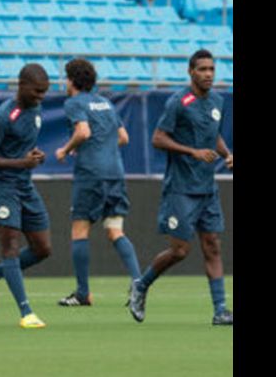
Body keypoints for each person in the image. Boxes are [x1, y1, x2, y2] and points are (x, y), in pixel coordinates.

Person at [128, 49, 233, 326]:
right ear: (190, 72)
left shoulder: (218, 101)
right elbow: (158, 138)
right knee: (180, 251)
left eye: (211, 69)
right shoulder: (179, 102)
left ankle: (221, 310)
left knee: (212, 245)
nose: (208, 74)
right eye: (202, 69)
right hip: (182, 188)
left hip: (207, 188)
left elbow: (214, 135)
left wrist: (226, 154)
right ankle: (142, 284)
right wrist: (192, 152)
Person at [0, 64, 53, 329]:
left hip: (24, 185)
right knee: (11, 247)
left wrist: (35, 156)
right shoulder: (4, 116)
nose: (41, 97)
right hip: (1, 187)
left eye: (44, 93)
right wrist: (21, 163)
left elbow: (20, 149)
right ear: (21, 85)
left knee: (42, 249)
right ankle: (26, 312)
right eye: (37, 92)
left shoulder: (35, 110)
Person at [54, 58, 142, 307]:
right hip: (115, 172)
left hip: (91, 175)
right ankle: (138, 284)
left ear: (71, 80)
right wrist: (99, 148)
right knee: (115, 230)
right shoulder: (106, 103)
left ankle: (83, 293)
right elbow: (123, 137)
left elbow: (83, 132)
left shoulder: (73, 102)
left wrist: (65, 149)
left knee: (80, 231)